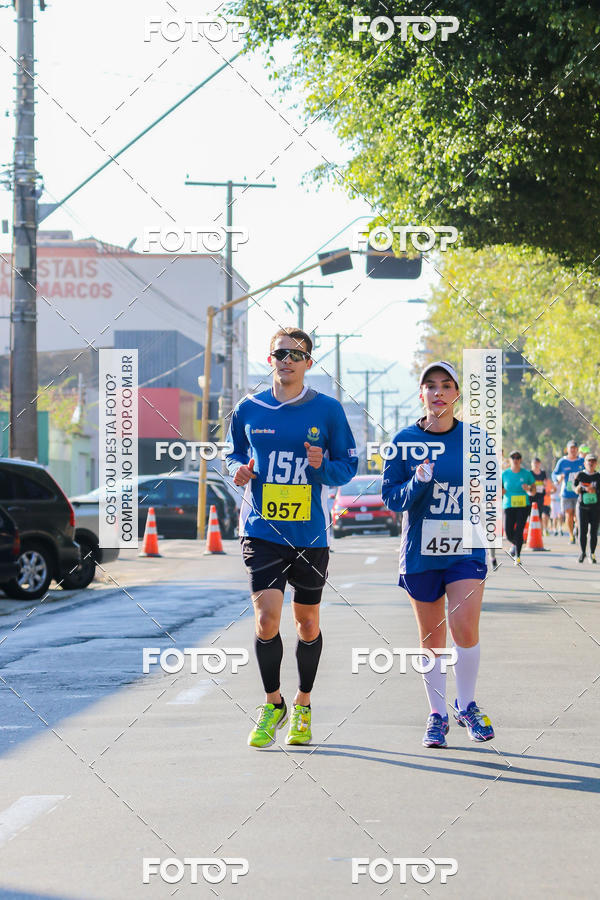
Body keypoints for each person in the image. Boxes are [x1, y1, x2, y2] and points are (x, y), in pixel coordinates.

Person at [226, 327, 358, 749]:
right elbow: (230, 453)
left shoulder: (329, 411)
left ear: (308, 364)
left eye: (295, 355)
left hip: (310, 533)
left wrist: (322, 467)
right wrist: (236, 470)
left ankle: (302, 703)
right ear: (270, 360)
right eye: (280, 353)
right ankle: (272, 702)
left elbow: (348, 465)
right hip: (262, 529)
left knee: (306, 623)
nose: (287, 360)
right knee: (266, 619)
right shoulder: (249, 409)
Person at [382, 360, 494, 749]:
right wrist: (417, 481)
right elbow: (392, 499)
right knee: (432, 638)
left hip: (465, 548)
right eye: (431, 386)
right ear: (422, 394)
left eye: (446, 385)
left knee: (464, 627)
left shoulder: (476, 440)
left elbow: (486, 495)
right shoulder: (403, 441)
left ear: (457, 394)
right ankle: (437, 715)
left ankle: (466, 704)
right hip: (420, 552)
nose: (439, 392)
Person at [502, 452, 535, 565]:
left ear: (520, 460)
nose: (515, 459)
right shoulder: (504, 474)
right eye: (513, 457)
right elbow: (498, 489)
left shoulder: (526, 474)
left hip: (523, 505)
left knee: (519, 530)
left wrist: (528, 488)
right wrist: (501, 491)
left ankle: (518, 556)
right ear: (510, 460)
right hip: (509, 505)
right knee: (509, 532)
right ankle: (516, 543)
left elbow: (533, 491)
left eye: (517, 458)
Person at [552, 441, 585, 544]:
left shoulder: (582, 461)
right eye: (571, 448)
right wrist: (557, 478)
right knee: (569, 514)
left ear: (577, 449)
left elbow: (589, 471)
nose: (573, 450)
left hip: (579, 493)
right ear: (567, 449)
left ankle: (577, 529)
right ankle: (571, 535)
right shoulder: (562, 461)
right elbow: (554, 473)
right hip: (566, 493)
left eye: (575, 448)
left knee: (578, 515)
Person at [574, 453, 600, 563]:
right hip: (582, 507)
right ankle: (582, 553)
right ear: (585, 463)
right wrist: (578, 489)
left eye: (593, 461)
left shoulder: (598, 476)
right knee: (582, 531)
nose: (591, 463)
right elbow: (574, 487)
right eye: (589, 461)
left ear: (596, 463)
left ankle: (592, 554)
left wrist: (595, 490)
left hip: (595, 507)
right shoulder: (580, 475)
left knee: (594, 532)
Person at [531, 457, 550, 534]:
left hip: (541, 496)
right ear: (532, 464)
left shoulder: (543, 473)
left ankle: (540, 532)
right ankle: (531, 531)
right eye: (534, 463)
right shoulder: (530, 473)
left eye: (537, 463)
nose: (536, 465)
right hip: (531, 496)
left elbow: (545, 483)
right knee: (531, 514)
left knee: (540, 514)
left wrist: (545, 485)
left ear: (540, 464)